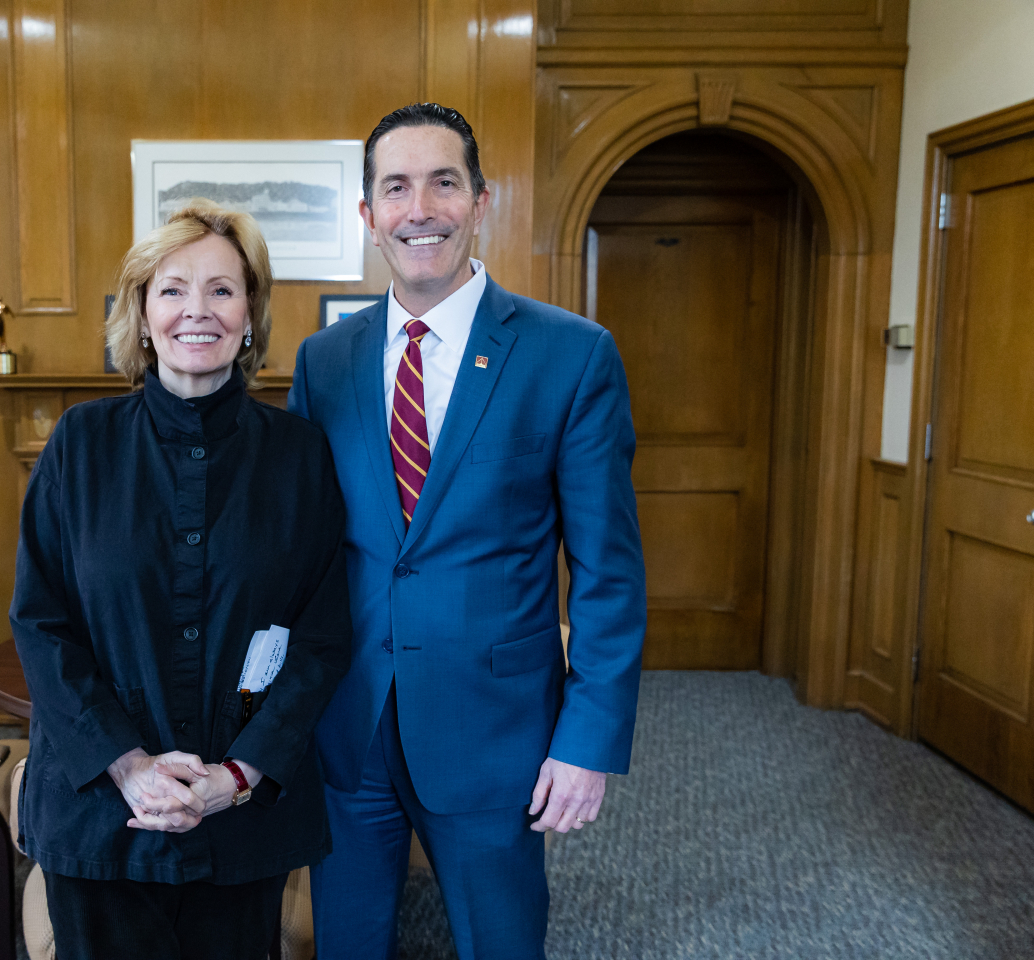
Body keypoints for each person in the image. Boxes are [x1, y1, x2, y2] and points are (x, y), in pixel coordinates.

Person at [288, 103, 647, 959]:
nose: (421, 209)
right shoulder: (323, 361)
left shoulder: (572, 355)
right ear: (369, 214)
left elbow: (608, 571)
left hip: (497, 735)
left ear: (480, 201)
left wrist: (588, 741)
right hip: (348, 729)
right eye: (396, 188)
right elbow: (299, 552)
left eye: (443, 183)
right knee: (346, 945)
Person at [10, 199, 352, 960]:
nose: (197, 310)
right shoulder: (80, 443)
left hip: (241, 815)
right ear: (142, 313)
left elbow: (322, 638)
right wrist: (130, 767)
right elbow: (40, 621)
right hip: (101, 812)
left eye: (222, 290)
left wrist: (237, 775)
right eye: (172, 289)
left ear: (250, 314)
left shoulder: (299, 455)